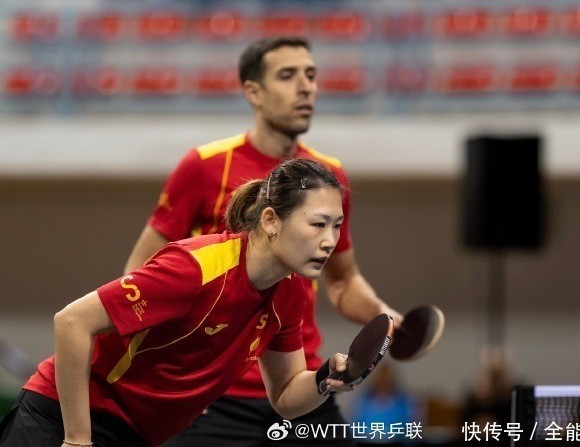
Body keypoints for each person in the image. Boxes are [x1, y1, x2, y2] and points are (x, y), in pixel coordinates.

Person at [124, 35, 402, 446]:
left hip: (301, 383)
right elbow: (139, 278)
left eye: (311, 75)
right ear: (253, 91)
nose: (306, 87)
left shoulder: (329, 178)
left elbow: (343, 281)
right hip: (214, 394)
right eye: (287, 75)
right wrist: (170, 378)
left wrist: (382, 315)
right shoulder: (204, 167)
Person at [0, 159, 359, 447]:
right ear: (270, 221)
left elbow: (285, 396)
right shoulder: (194, 269)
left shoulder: (290, 293)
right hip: (63, 420)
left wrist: (325, 378)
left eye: (337, 226)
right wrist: (78, 440)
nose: (330, 241)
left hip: (136, 435)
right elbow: (72, 321)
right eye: (318, 224)